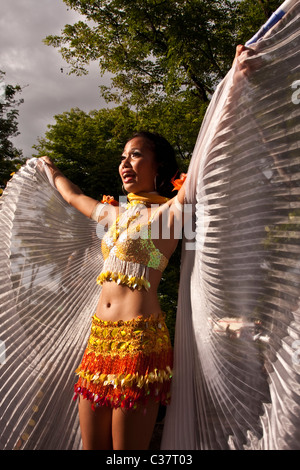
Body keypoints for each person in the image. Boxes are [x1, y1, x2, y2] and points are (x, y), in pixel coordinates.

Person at [40, 131, 186, 450]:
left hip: (139, 343)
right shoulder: (117, 214)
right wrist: (50, 170)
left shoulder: (171, 213)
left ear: (158, 165)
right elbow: (74, 197)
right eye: (123, 157)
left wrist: (230, 92)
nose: (125, 163)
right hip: (99, 341)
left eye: (135, 155)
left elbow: (204, 162)